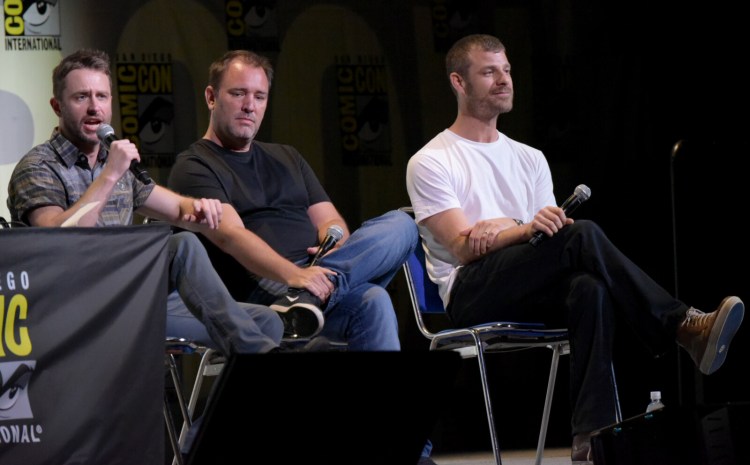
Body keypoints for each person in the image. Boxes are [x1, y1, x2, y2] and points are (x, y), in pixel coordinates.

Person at [405, 34, 744, 464]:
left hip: (524, 284)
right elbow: (462, 246)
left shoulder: (529, 158)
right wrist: (523, 227)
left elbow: (544, 236)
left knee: (589, 288)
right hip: (470, 293)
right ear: (458, 82)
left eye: (506, 70)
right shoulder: (432, 160)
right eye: (488, 72)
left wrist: (509, 226)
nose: (503, 80)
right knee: (581, 235)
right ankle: (680, 325)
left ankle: (592, 437)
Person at [6, 48, 295, 356]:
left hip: (131, 299)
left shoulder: (115, 163)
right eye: (81, 97)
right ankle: (270, 359)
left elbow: (178, 210)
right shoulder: (38, 166)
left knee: (266, 321)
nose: (94, 108)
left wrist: (199, 209)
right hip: (75, 309)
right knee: (181, 247)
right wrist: (110, 175)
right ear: (57, 106)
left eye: (102, 97)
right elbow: (57, 242)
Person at [167, 50, 418, 351]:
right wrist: (295, 275)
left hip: (315, 280)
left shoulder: (287, 156)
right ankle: (305, 297)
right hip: (263, 292)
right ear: (211, 97)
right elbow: (231, 236)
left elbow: (332, 222)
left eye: (259, 97)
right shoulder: (194, 165)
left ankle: (310, 298)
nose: (250, 106)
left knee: (402, 225)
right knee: (372, 297)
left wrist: (330, 248)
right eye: (238, 94)